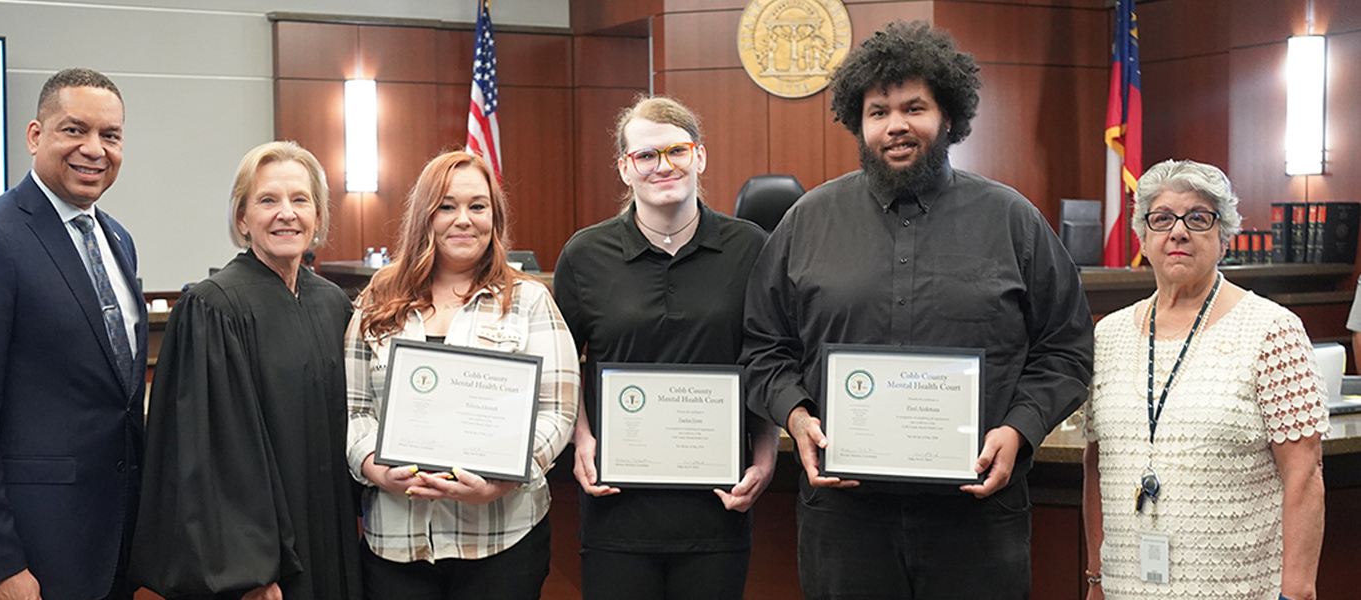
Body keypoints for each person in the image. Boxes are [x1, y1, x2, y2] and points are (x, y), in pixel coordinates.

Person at [740, 21, 1094, 600]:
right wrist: (797, 416)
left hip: (978, 514)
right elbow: (763, 347)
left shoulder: (1012, 221)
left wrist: (1020, 428)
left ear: (948, 116)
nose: (896, 125)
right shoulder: (806, 221)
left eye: (914, 108)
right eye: (878, 112)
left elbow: (1066, 348)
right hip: (845, 516)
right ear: (859, 122)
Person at [0, 67, 146, 600]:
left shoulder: (117, 239)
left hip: (111, 544)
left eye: (110, 135)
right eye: (75, 130)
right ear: (35, 135)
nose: (94, 149)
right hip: (28, 554)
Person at [553, 96, 778, 600]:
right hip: (618, 508)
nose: (663, 166)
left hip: (718, 506)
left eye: (677, 151)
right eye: (646, 156)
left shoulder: (752, 249)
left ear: (699, 156)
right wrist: (582, 440)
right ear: (625, 169)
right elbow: (562, 370)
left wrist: (765, 459)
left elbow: (765, 360)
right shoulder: (585, 255)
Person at [1081, 160, 1327, 600]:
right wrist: (1096, 578)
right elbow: (1095, 465)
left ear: (1223, 235)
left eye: (1198, 218)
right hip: (1125, 588)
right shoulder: (1108, 335)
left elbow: (1304, 474)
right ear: (1143, 234)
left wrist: (1298, 592)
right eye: (1162, 218)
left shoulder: (1272, 330)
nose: (1178, 231)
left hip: (1240, 589)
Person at [129, 141, 362, 600]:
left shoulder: (333, 304)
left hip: (330, 536)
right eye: (267, 200)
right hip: (259, 565)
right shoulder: (212, 308)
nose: (286, 214)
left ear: (318, 216)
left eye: (300, 200)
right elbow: (209, 456)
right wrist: (250, 571)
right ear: (242, 219)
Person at [344, 150, 578, 600]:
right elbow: (354, 409)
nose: (463, 220)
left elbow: (557, 410)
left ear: (495, 216)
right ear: (424, 217)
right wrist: (376, 467)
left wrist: (504, 478)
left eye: (477, 206)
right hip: (397, 539)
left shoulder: (528, 300)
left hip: (501, 536)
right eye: (446, 206)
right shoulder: (378, 298)